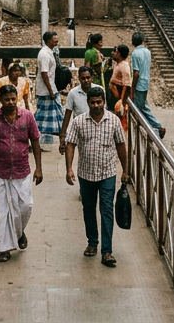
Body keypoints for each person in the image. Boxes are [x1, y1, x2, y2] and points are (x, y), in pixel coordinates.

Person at [0, 82, 43, 263]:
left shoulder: (27, 117)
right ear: (0, 100)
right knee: (2, 211)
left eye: (13, 99)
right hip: (0, 171)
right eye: (7, 100)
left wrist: (39, 168)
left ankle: (19, 233)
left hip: (23, 171)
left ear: (17, 98)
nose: (11, 102)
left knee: (25, 206)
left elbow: (35, 142)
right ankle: (3, 248)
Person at [65, 86, 128, 268]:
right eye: (92, 102)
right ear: (88, 103)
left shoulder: (114, 121)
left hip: (107, 173)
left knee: (106, 210)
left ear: (104, 102)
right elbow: (71, 144)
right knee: (89, 208)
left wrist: (125, 170)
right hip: (86, 173)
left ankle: (107, 251)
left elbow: (121, 146)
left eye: (99, 102)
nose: (96, 105)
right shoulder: (78, 122)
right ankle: (92, 242)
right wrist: (69, 168)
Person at [130, 32, 165, 138]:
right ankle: (150, 126)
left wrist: (132, 87)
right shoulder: (147, 52)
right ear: (142, 41)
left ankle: (157, 126)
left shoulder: (135, 54)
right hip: (145, 81)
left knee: (140, 107)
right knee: (143, 105)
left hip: (139, 84)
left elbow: (136, 72)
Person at [59, 64, 96, 155]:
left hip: (97, 128)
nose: (86, 80)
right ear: (79, 79)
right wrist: (62, 136)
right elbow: (67, 114)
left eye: (88, 78)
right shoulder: (73, 93)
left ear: (92, 78)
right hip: (81, 130)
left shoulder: (99, 90)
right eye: (83, 78)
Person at [34, 32, 62, 145]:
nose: (56, 41)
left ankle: (48, 138)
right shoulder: (44, 54)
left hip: (50, 88)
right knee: (42, 116)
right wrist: (50, 90)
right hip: (45, 90)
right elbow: (44, 74)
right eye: (54, 39)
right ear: (48, 40)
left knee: (54, 115)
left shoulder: (50, 52)